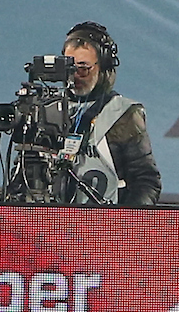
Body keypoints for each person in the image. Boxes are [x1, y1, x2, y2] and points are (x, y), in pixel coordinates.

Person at [60, 22, 161, 206]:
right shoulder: (45, 110)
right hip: (49, 226)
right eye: (69, 68)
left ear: (104, 67)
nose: (75, 76)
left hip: (105, 229)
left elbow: (146, 182)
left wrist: (124, 225)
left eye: (83, 68)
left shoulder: (123, 114)